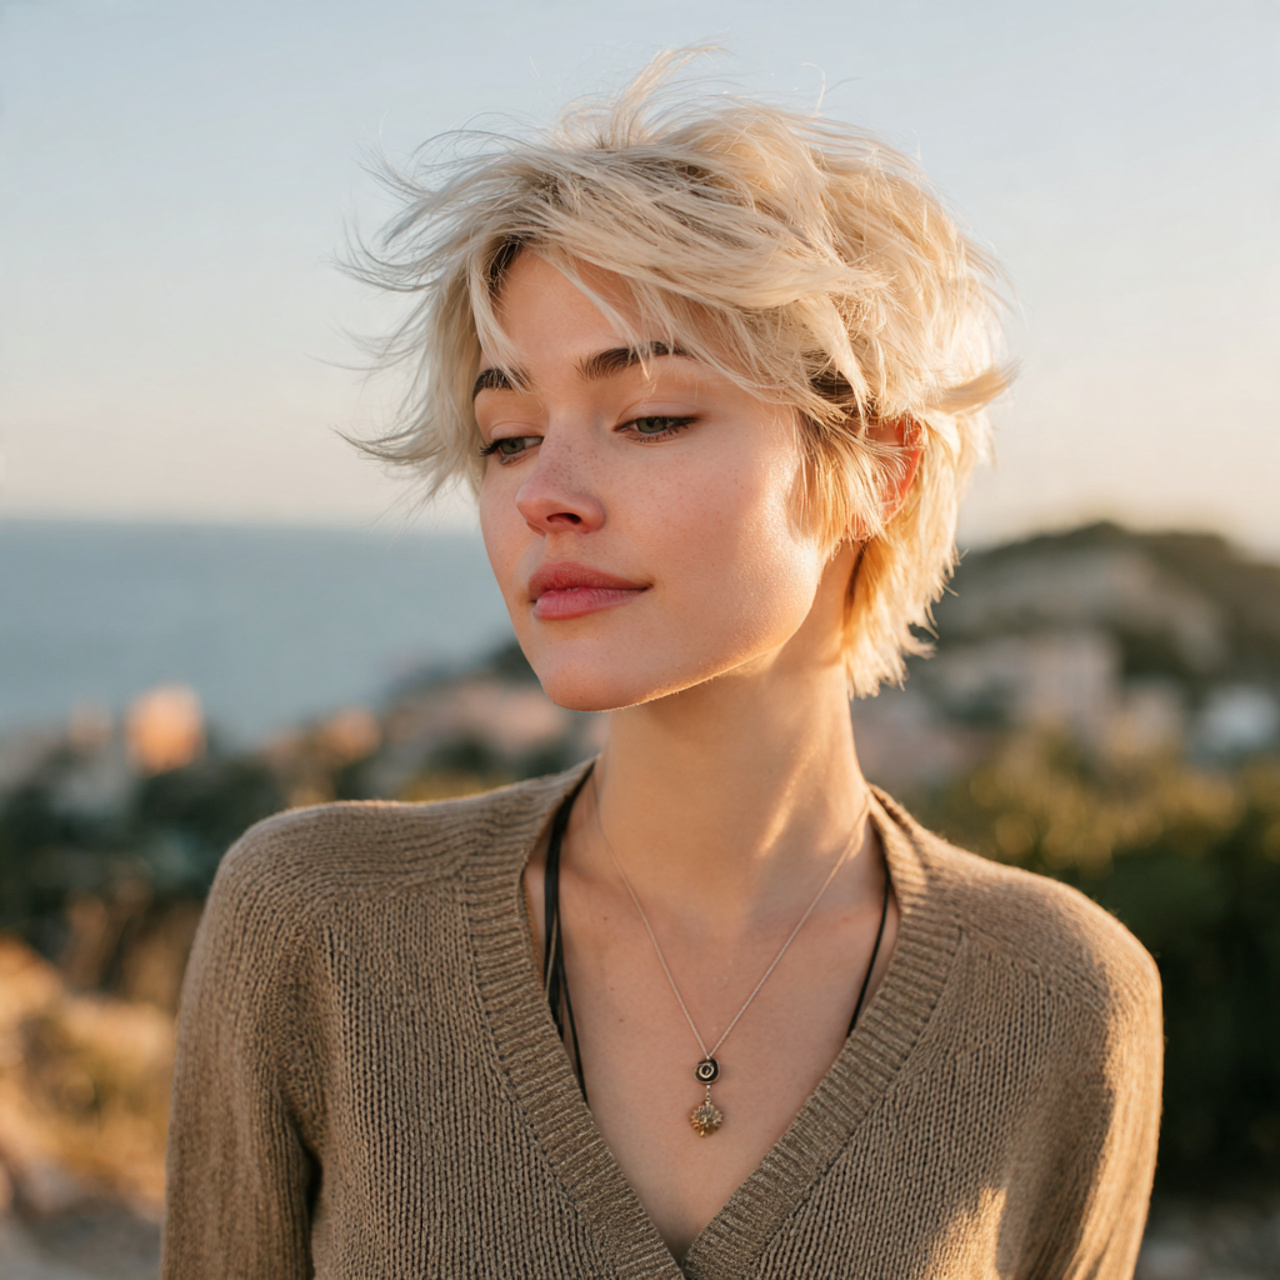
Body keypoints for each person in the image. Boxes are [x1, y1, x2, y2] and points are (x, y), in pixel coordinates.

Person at [161, 54, 1163, 1279]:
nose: (543, 495)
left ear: (879, 471)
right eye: (507, 435)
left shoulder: (1061, 994)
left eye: (647, 417)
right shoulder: (317, 921)